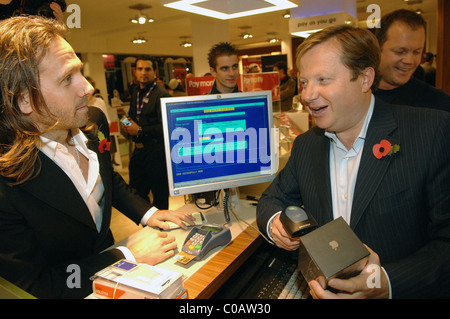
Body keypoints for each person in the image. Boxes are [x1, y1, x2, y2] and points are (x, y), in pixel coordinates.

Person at [0, 16, 194, 299]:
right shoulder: (7, 185)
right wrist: (125, 255)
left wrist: (149, 213)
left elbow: (107, 178)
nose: (87, 88)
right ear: (24, 100)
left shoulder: (93, 121)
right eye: (67, 78)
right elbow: (36, 286)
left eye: (79, 71)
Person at [256, 24, 450, 299]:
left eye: (323, 80)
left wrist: (386, 282)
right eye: (304, 82)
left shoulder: (431, 132)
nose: (308, 95)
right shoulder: (306, 145)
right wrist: (277, 223)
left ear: (364, 78)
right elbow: (270, 200)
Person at [373, 9, 450, 112]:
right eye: (400, 51)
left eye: (417, 52)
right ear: (377, 49)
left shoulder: (439, 104)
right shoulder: (355, 96)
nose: (409, 61)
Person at [121, 56, 172, 209]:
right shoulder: (136, 91)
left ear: (154, 72)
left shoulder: (161, 94)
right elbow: (131, 114)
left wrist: (140, 130)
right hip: (138, 151)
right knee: (136, 194)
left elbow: (166, 127)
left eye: (148, 69)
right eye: (140, 69)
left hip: (156, 153)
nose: (144, 72)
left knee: (160, 196)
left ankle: (162, 229)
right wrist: (126, 123)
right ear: (135, 72)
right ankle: (148, 226)